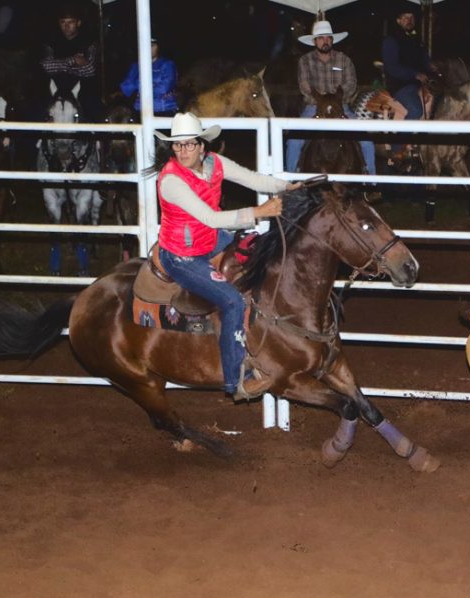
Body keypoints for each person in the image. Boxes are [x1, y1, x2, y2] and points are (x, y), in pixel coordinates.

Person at [152, 112, 299, 400]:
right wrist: (257, 213)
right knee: (231, 301)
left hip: (209, 240)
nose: (183, 151)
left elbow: (253, 179)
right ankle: (237, 380)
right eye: (178, 145)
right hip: (182, 255)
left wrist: (286, 187)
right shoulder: (170, 181)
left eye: (189, 144)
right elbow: (211, 218)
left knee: (257, 249)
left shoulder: (214, 164)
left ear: (201, 146)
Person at [285, 19, 376, 176]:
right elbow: (304, 86)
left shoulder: (344, 60)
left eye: (328, 38)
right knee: (294, 141)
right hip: (314, 107)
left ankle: (371, 182)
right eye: (320, 38)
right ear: (314, 41)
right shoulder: (305, 61)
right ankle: (291, 182)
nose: (325, 41)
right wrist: (323, 99)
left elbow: (351, 83)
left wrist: (334, 99)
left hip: (341, 107)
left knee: (366, 141)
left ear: (332, 40)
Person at [40, 3, 100, 121]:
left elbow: (90, 70)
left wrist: (59, 65)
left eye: (70, 22)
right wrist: (73, 60)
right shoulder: (52, 42)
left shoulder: (89, 42)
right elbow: (46, 66)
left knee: (94, 109)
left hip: (82, 88)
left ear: (78, 23)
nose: (66, 26)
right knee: (36, 108)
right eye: (63, 22)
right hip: (56, 87)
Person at [381, 5, 433, 121]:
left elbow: (425, 62)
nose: (409, 20)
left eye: (412, 18)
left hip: (420, 84)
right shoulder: (391, 40)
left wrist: (432, 68)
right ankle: (402, 138)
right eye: (405, 17)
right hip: (401, 86)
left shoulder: (417, 41)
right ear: (398, 20)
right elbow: (392, 67)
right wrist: (415, 74)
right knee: (415, 110)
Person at [119, 38, 178, 117]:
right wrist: (150, 85)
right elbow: (126, 89)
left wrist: (138, 86)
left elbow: (164, 88)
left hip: (163, 110)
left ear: (158, 47)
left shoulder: (167, 64)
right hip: (140, 110)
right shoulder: (136, 66)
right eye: (145, 45)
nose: (148, 48)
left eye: (152, 45)